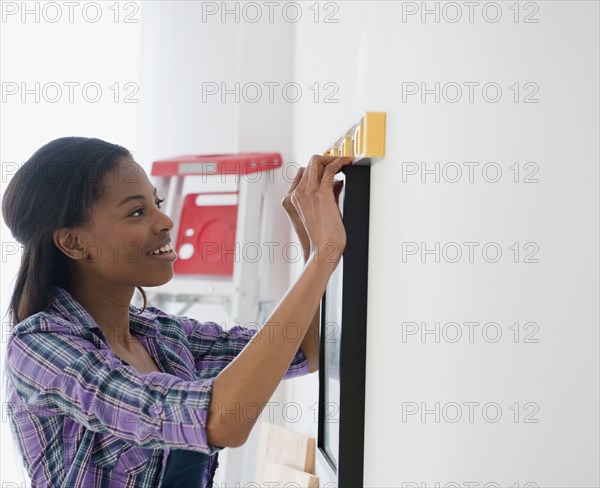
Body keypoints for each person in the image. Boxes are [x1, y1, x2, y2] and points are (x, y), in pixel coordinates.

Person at [1, 137, 350, 487]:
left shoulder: (163, 336)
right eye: (137, 212)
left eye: (158, 202)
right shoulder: (39, 347)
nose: (165, 220)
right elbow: (220, 421)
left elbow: (303, 350)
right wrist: (324, 253)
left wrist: (310, 241)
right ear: (73, 243)